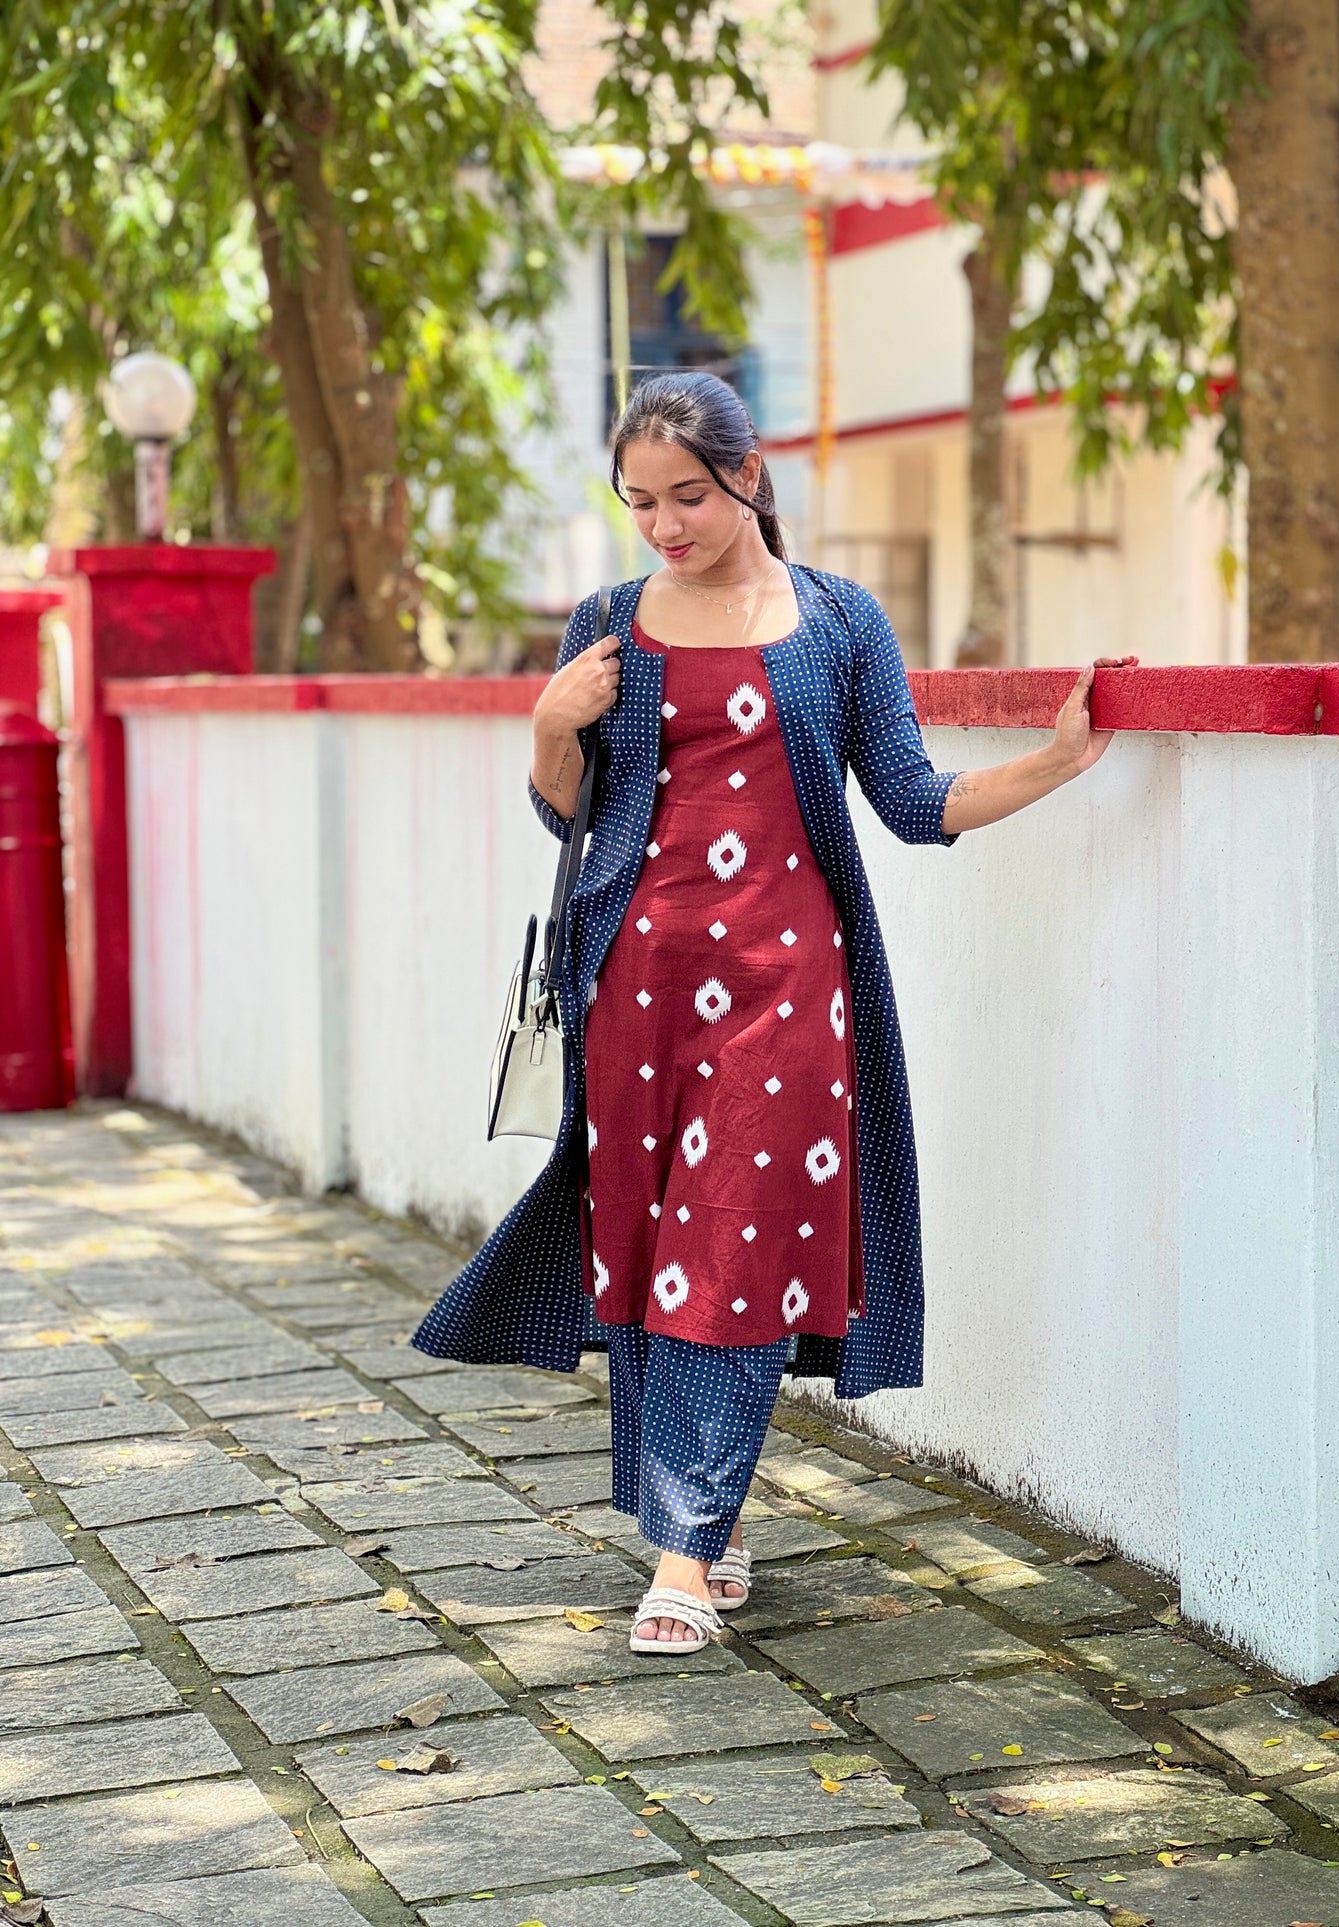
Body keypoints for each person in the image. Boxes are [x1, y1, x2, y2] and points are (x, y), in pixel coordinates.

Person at [413, 370, 1132, 1653]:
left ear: (750, 475)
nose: (664, 525)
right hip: (630, 987)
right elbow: (564, 812)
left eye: (686, 495)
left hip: (791, 990)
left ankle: (682, 1558)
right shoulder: (606, 621)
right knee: (646, 1249)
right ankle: (708, 1512)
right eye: (639, 501)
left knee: (732, 1244)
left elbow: (910, 801)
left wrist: (1056, 762)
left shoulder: (840, 620)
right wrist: (545, 726)